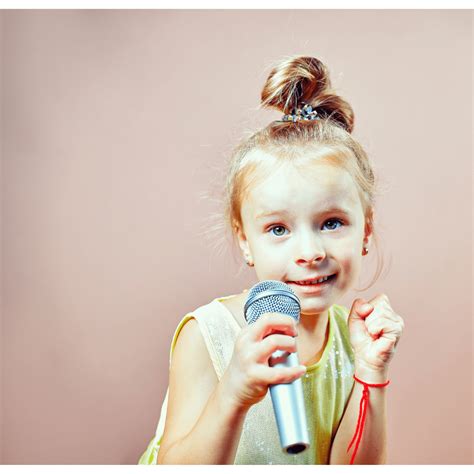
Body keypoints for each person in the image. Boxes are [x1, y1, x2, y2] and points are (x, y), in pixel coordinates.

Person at [138, 55, 404, 465]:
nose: (310, 252)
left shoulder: (353, 341)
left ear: (365, 230)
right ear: (245, 241)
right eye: (278, 230)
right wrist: (234, 392)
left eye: (331, 223)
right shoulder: (207, 335)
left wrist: (371, 371)